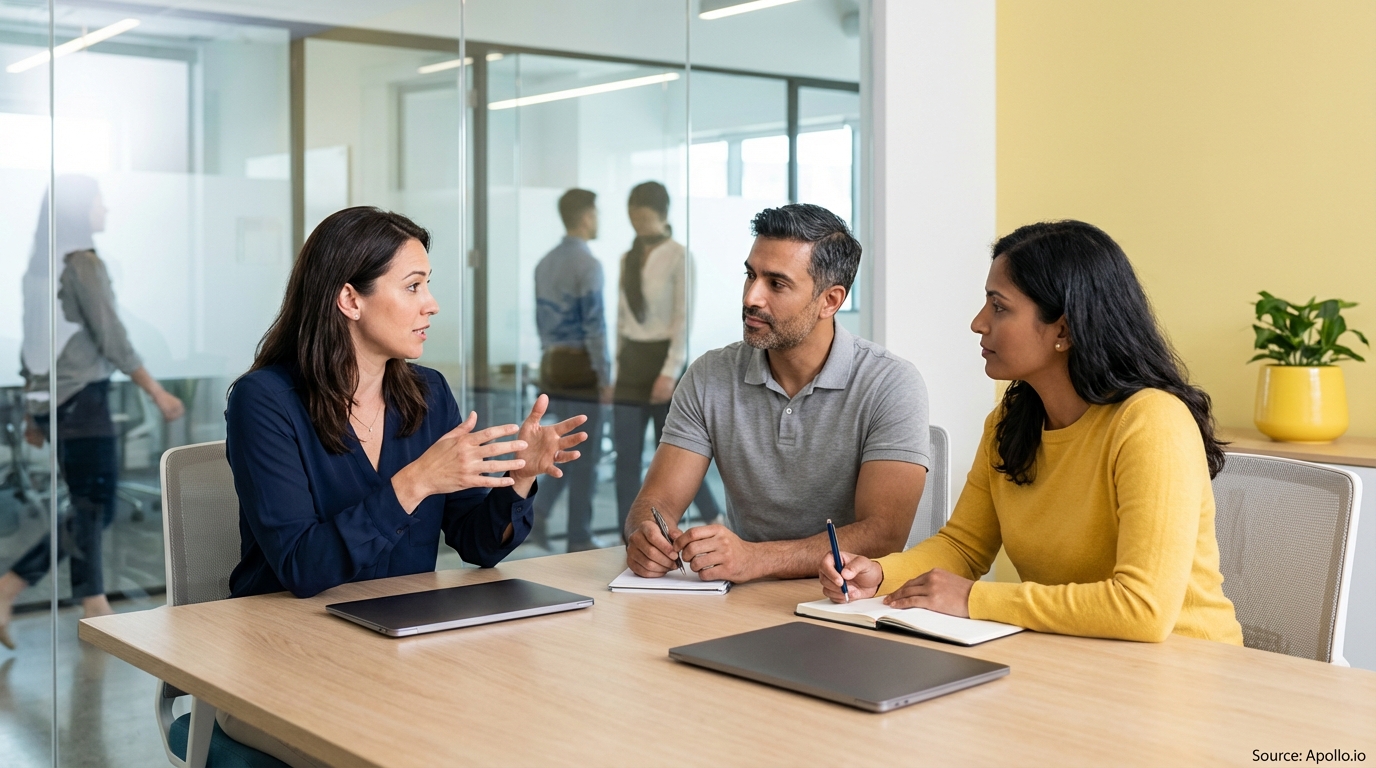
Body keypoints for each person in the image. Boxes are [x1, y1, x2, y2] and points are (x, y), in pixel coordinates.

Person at [820, 221, 1244, 645]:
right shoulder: (1013, 417)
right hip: (1076, 657)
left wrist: (974, 599)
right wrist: (880, 573)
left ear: (1063, 329)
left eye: (999, 307)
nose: (978, 322)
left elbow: (1142, 609)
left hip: (1188, 668)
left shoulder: (1152, 422)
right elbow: (964, 548)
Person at [226, 206, 587, 601]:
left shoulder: (428, 393)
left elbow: (478, 545)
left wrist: (520, 479)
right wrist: (417, 481)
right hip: (287, 637)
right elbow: (303, 567)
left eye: (428, 285)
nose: (431, 304)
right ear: (350, 299)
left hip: (397, 628)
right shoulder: (265, 401)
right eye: (413, 286)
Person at [625, 203, 930, 583]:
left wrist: (755, 559)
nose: (752, 296)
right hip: (740, 598)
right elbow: (659, 501)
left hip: (845, 603)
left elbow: (884, 534)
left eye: (776, 283)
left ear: (830, 301)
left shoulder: (890, 383)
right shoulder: (709, 375)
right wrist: (645, 536)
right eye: (750, 275)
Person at [0, 175, 185, 651]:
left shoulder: (39, 268)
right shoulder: (82, 263)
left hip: (53, 401)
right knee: (94, 504)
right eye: (100, 201)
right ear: (80, 210)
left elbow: (32, 346)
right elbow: (112, 336)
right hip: (81, 399)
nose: (106, 209)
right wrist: (156, 391)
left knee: (89, 504)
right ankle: (63, 597)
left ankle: (79, 599)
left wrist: (31, 411)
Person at [612, 181, 722, 534]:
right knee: (625, 457)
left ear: (660, 215)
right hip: (630, 361)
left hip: (662, 359)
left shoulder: (678, 255)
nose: (637, 223)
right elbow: (621, 319)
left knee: (675, 454)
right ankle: (627, 532)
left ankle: (713, 517)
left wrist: (669, 372)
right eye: (632, 216)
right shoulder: (626, 257)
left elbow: (682, 318)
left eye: (643, 216)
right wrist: (617, 368)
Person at [531, 189, 610, 552]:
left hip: (552, 365)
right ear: (584, 216)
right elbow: (595, 326)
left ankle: (540, 515)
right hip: (581, 369)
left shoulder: (544, 263)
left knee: (560, 448)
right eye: (595, 213)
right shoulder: (588, 265)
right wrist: (605, 376)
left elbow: (541, 322)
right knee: (585, 456)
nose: (598, 220)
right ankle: (579, 534)